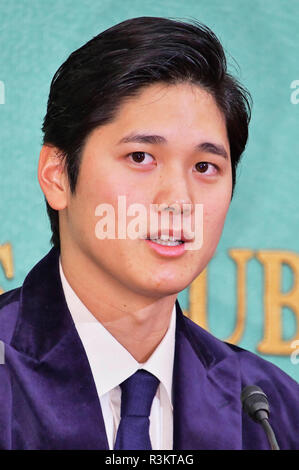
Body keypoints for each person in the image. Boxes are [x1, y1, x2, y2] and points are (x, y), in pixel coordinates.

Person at [0, 16, 298, 451]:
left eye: (204, 167)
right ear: (57, 175)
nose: (178, 200)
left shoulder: (272, 412)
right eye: (140, 157)